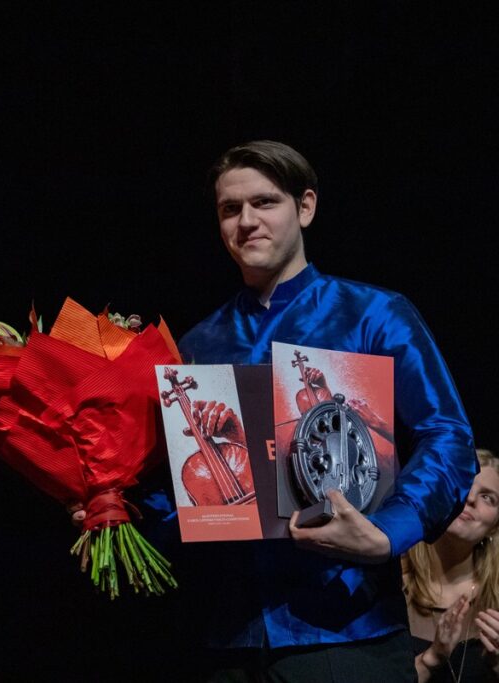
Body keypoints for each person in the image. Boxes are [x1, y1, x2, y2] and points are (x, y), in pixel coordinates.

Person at [161, 140, 476, 681]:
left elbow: (448, 436)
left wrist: (389, 532)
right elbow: (177, 485)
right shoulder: (198, 343)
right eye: (230, 209)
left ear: (305, 207)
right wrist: (115, 508)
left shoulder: (374, 315)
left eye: (265, 202)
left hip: (348, 631)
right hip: (229, 637)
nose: (246, 221)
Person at [405, 449, 499, 682]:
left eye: (488, 497)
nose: (469, 499)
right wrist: (431, 658)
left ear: (495, 527)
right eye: (463, 484)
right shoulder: (391, 580)